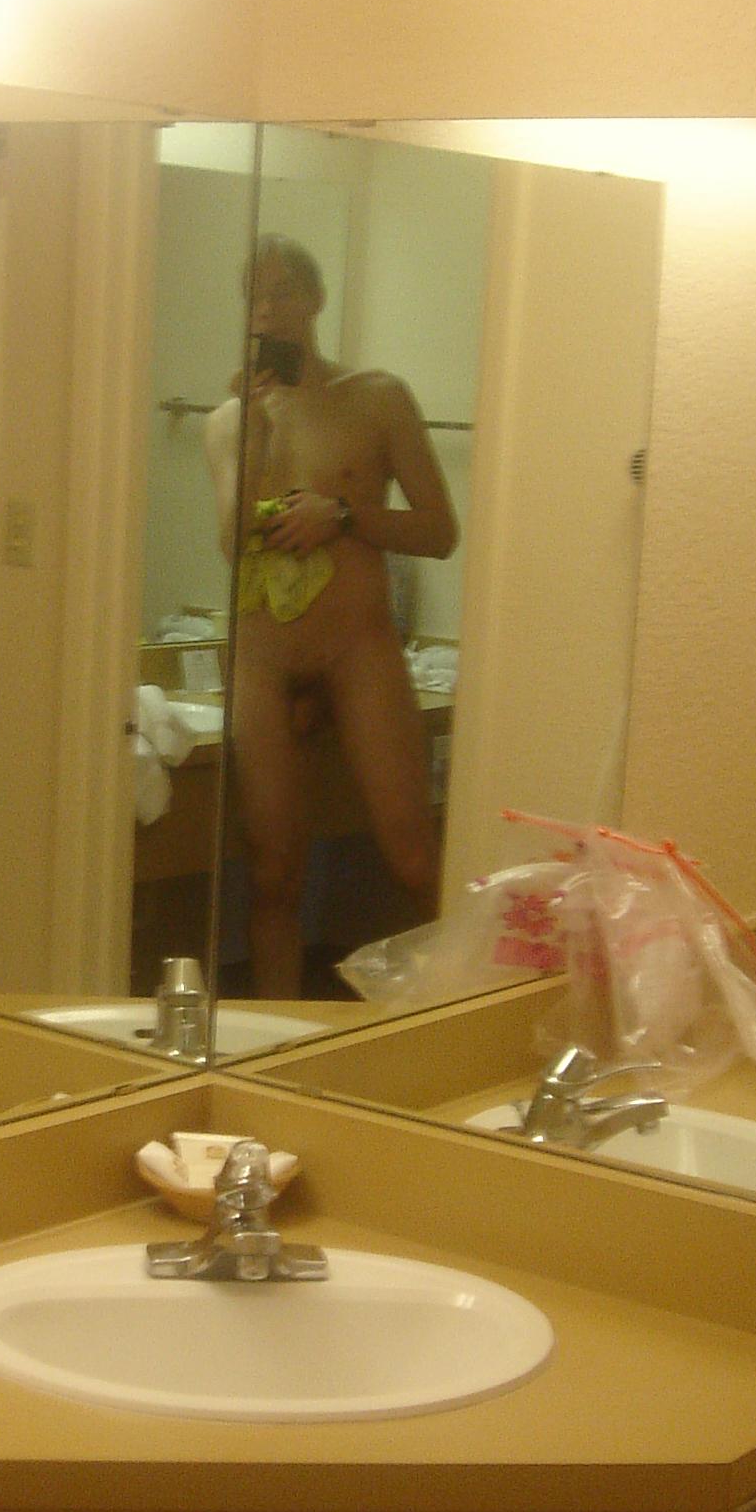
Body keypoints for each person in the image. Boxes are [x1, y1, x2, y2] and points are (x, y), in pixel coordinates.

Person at [205, 235, 459, 999]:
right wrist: (256, 431)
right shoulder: (227, 422)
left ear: (316, 299)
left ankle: (464, 1005)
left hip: (358, 649)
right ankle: (278, 1044)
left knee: (413, 855)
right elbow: (231, 544)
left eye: (283, 291)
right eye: (254, 295)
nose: (267, 309)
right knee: (273, 873)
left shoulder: (376, 398)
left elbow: (439, 532)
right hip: (261, 658)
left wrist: (342, 515)